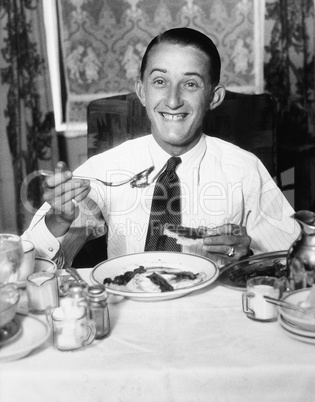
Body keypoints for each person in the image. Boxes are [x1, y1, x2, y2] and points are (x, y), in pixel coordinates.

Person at [23, 27, 299, 268]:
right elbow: (26, 262)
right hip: (128, 312)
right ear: (142, 92)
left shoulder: (245, 170)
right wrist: (58, 220)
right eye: (159, 81)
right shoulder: (103, 169)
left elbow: (297, 257)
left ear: (214, 97)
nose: (173, 99)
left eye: (190, 84)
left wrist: (247, 256)